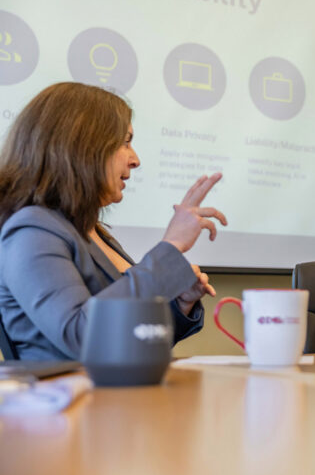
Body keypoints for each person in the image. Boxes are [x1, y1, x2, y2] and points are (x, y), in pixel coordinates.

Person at [0, 82, 227, 360]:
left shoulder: (93, 231)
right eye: (125, 142)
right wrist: (171, 246)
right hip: (68, 400)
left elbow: (130, 336)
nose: (136, 160)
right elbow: (80, 336)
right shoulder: (31, 231)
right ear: (82, 145)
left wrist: (180, 304)